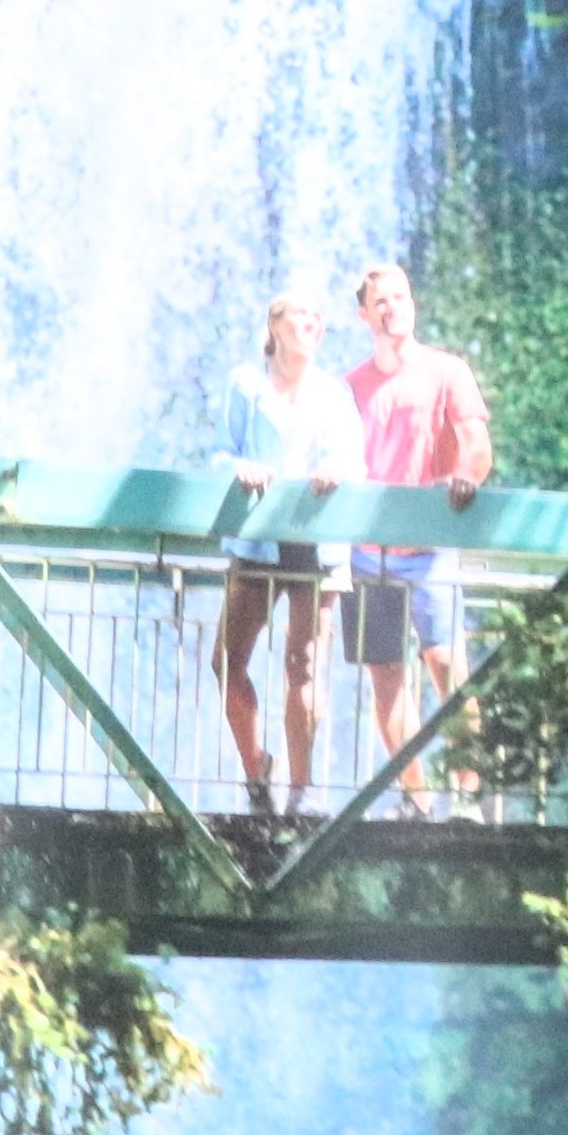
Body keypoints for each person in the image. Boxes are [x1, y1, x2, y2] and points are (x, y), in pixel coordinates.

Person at [344, 260, 493, 806]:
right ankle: (419, 799)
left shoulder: (446, 370)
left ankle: (469, 797)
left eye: (400, 298)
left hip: (429, 550)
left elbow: (476, 442)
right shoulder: (351, 387)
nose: (392, 308)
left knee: (447, 667)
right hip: (366, 553)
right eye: (380, 301)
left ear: (414, 303)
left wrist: (465, 476)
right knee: (386, 677)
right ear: (364, 314)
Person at [219, 291, 362, 820]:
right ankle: (256, 771)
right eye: (301, 314)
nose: (312, 323)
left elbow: (352, 456)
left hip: (313, 535)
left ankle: (302, 791)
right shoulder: (245, 384)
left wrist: (337, 471)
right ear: (275, 323)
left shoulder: (334, 393)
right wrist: (240, 467)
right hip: (258, 534)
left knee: (303, 664)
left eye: (319, 318)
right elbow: (219, 451)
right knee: (228, 662)